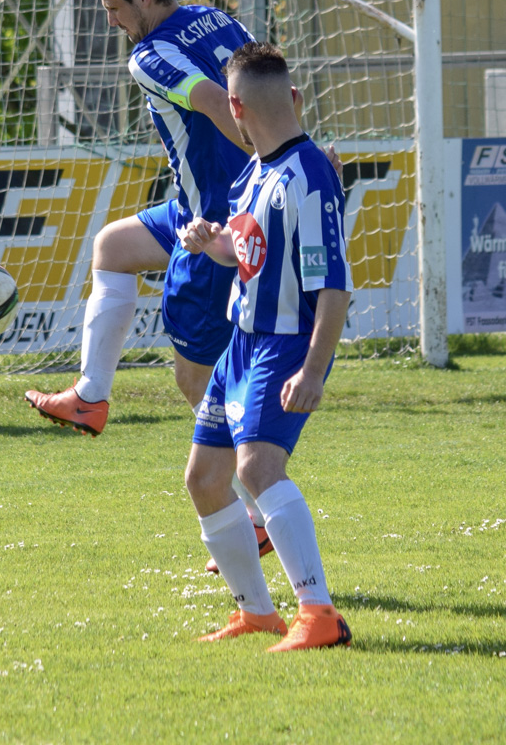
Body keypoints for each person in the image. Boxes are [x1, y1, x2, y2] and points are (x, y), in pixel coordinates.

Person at [23, 0, 276, 568]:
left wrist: (272, 163)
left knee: (195, 381)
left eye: (114, 8)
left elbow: (216, 102)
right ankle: (90, 396)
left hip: (213, 223)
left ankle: (258, 509)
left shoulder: (149, 55)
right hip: (196, 203)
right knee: (111, 247)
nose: (111, 22)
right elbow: (268, 86)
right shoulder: (216, 18)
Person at [177, 42, 353, 651]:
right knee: (205, 478)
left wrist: (313, 370)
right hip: (241, 344)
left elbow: (334, 287)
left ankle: (319, 614)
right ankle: (256, 613)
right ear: (295, 97)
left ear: (234, 107)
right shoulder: (253, 174)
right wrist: (211, 241)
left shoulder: (311, 176)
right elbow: (245, 249)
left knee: (257, 468)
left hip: (285, 345)